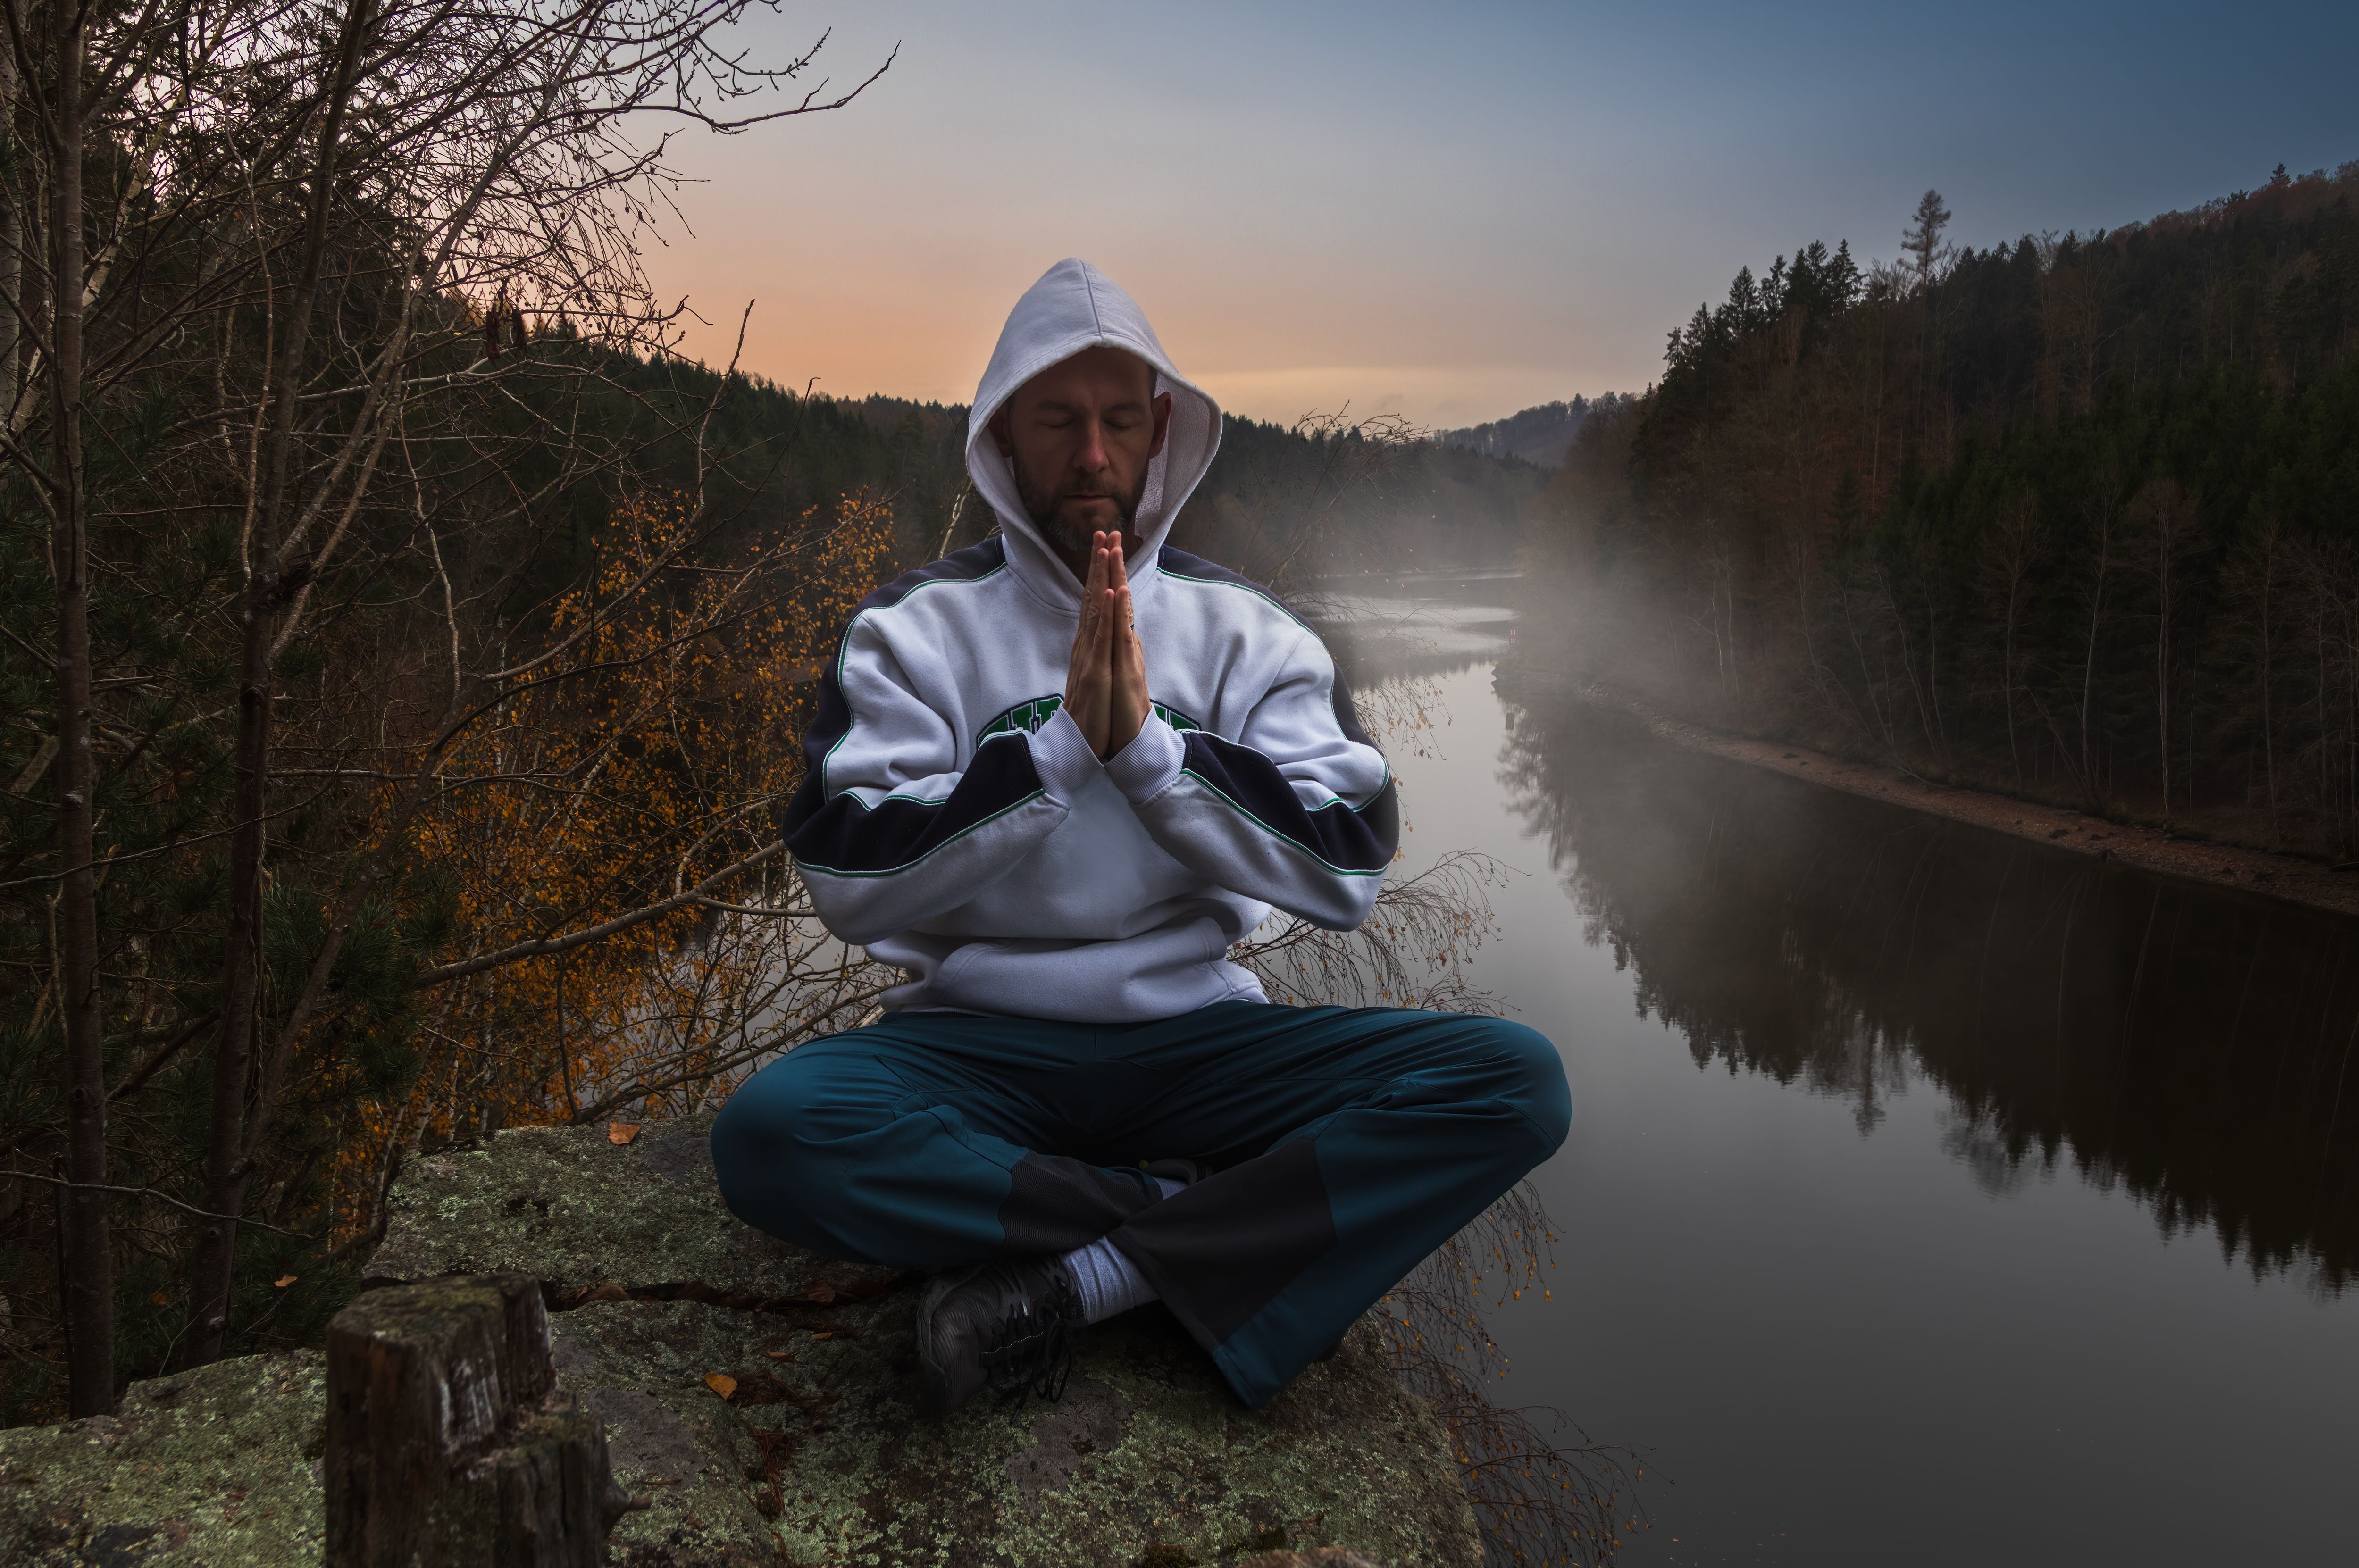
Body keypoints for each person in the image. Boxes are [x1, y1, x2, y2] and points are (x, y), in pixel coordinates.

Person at [711, 259, 1569, 1416]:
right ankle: (1196, 1236)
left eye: (1121, 422)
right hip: (976, 1049)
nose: (1094, 457)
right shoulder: (912, 632)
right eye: (1058, 421)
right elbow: (846, 875)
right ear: (1002, 432)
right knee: (772, 1137)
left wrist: (1154, 756)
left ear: (1164, 429)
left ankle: (1089, 1278)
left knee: (1513, 1085)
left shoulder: (1249, 634)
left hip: (1200, 1046)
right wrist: (1058, 755)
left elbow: (1348, 865)